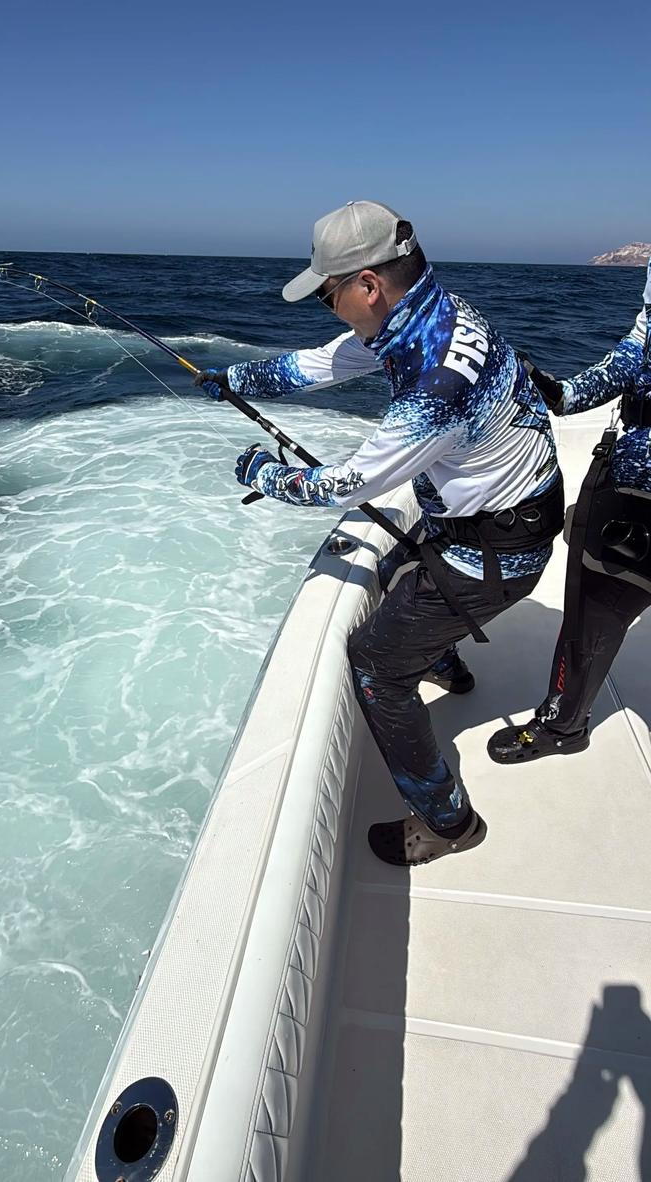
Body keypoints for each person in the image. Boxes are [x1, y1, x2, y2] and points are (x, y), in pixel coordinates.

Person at [195, 200, 564, 867]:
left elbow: (345, 486)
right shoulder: (434, 312)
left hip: (499, 546)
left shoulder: (434, 382)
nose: (328, 308)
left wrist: (264, 473)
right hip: (499, 514)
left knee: (372, 662)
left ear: (368, 285)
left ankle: (448, 822)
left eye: (326, 296)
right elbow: (319, 366)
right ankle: (443, 658)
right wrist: (236, 379)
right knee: (400, 570)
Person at [488, 258, 651, 765]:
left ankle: (563, 725)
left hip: (638, 492)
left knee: (596, 606)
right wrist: (562, 393)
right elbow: (635, 351)